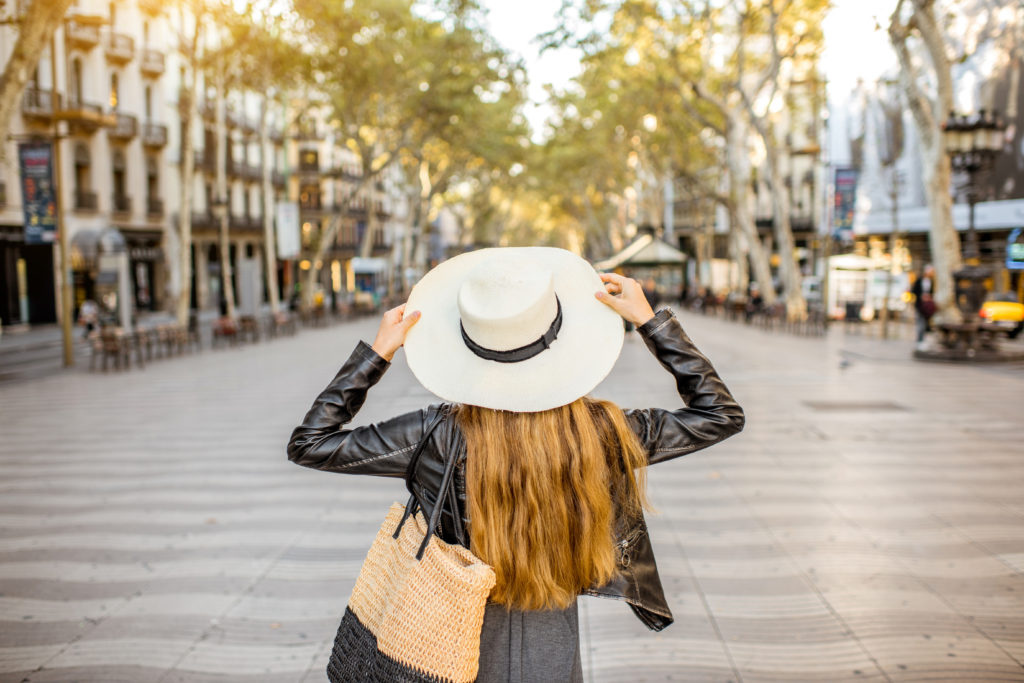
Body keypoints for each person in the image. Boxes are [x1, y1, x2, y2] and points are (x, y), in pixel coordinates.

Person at [287, 247, 745, 683]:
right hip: (553, 624)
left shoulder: (437, 435)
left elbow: (312, 442)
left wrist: (378, 353)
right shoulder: (601, 431)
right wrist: (650, 322)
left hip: (456, 629)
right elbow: (720, 415)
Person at [911, 264, 937, 348]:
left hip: (928, 307)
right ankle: (919, 341)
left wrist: (929, 297)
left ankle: (923, 341)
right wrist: (921, 296)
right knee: (920, 324)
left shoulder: (932, 282)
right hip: (920, 305)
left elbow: (932, 292)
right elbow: (914, 291)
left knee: (926, 324)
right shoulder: (919, 280)